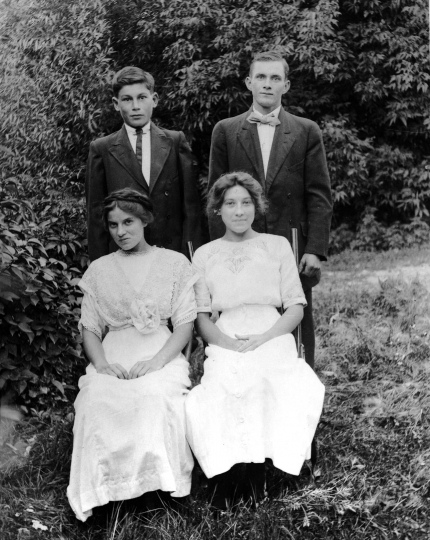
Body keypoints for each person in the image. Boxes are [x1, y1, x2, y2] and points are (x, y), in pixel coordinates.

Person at [185, 172, 325, 509]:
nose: (239, 211)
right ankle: (233, 473)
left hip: (272, 330)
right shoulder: (204, 254)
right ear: (217, 210)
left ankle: (266, 466)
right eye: (230, 203)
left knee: (271, 378)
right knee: (225, 383)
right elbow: (202, 316)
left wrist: (264, 338)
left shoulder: (276, 246)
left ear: (257, 206)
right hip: (226, 332)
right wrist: (226, 343)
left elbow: (294, 308)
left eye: (246, 202)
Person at [67, 188, 198, 521]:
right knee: (97, 399)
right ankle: (105, 493)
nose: (121, 231)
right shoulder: (99, 270)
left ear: (145, 220)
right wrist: (102, 365)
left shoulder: (173, 263)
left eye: (128, 222)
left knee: (154, 396)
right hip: (115, 353)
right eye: (113, 225)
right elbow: (91, 329)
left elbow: (184, 324)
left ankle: (157, 488)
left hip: (161, 351)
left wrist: (156, 362)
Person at [208, 50, 333, 368]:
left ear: (286, 85)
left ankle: (299, 400)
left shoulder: (306, 131)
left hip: (291, 242)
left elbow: (319, 195)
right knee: (244, 316)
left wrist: (315, 249)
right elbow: (216, 198)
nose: (267, 84)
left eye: (275, 78)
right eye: (260, 77)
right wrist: (218, 253)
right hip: (240, 242)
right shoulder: (226, 130)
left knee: (296, 320)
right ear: (249, 82)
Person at [86, 66, 202, 262]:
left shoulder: (175, 142)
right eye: (127, 99)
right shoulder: (102, 149)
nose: (135, 106)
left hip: (171, 254)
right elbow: (96, 216)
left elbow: (191, 210)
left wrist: (191, 259)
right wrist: (100, 267)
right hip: (122, 257)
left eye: (142, 97)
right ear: (116, 104)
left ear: (154, 99)